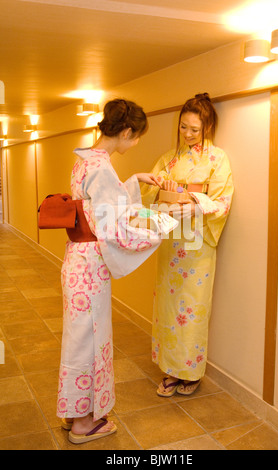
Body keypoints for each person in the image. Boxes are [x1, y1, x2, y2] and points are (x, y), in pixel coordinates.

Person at [57, 98, 165, 444]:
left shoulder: (86, 160)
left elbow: (100, 203)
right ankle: (84, 424)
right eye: (136, 138)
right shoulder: (102, 169)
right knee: (89, 340)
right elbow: (114, 227)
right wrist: (158, 228)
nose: (135, 144)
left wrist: (134, 179)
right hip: (90, 266)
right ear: (127, 132)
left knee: (78, 338)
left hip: (77, 258)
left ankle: (75, 411)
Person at [141, 93, 234, 397]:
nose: (188, 134)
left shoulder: (217, 159)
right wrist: (161, 187)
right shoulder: (170, 158)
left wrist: (196, 203)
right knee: (168, 308)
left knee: (192, 308)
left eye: (195, 129)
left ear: (207, 127)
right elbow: (146, 193)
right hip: (171, 242)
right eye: (183, 127)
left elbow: (223, 201)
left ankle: (190, 372)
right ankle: (169, 370)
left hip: (198, 245)